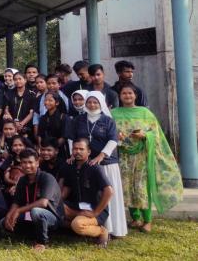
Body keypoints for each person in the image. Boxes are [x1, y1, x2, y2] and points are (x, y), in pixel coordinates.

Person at [111, 83, 183, 233]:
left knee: (141, 187)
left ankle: (147, 220)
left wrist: (144, 135)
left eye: (130, 93)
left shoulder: (145, 112)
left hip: (142, 156)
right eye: (124, 93)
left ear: (135, 95)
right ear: (120, 96)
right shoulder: (114, 113)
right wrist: (117, 136)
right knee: (127, 186)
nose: (127, 96)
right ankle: (135, 218)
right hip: (124, 156)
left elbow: (155, 134)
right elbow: (110, 132)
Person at [66, 91, 127, 238]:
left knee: (107, 193)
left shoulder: (108, 120)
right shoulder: (79, 120)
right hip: (86, 165)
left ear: (101, 103)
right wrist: (72, 155)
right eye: (89, 102)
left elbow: (113, 140)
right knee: (92, 195)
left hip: (106, 164)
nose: (92, 105)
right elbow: (71, 139)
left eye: (95, 102)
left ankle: (112, 229)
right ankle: (93, 225)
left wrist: (100, 156)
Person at [1, 148, 63, 251]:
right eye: (24, 162)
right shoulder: (22, 180)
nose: (27, 165)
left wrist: (19, 210)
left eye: (30, 162)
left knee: (36, 212)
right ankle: (31, 235)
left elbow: (43, 203)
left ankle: (42, 242)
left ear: (37, 163)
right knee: (3, 222)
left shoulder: (47, 177)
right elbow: (16, 202)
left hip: (52, 217)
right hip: (30, 215)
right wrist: (9, 215)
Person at [60, 137, 113, 248]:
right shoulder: (70, 167)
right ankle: (80, 221)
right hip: (77, 208)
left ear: (88, 152)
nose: (77, 151)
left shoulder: (95, 168)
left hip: (94, 210)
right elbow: (66, 189)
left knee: (77, 224)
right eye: (75, 149)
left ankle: (102, 232)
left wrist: (95, 213)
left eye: (81, 149)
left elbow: (109, 191)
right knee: (56, 210)